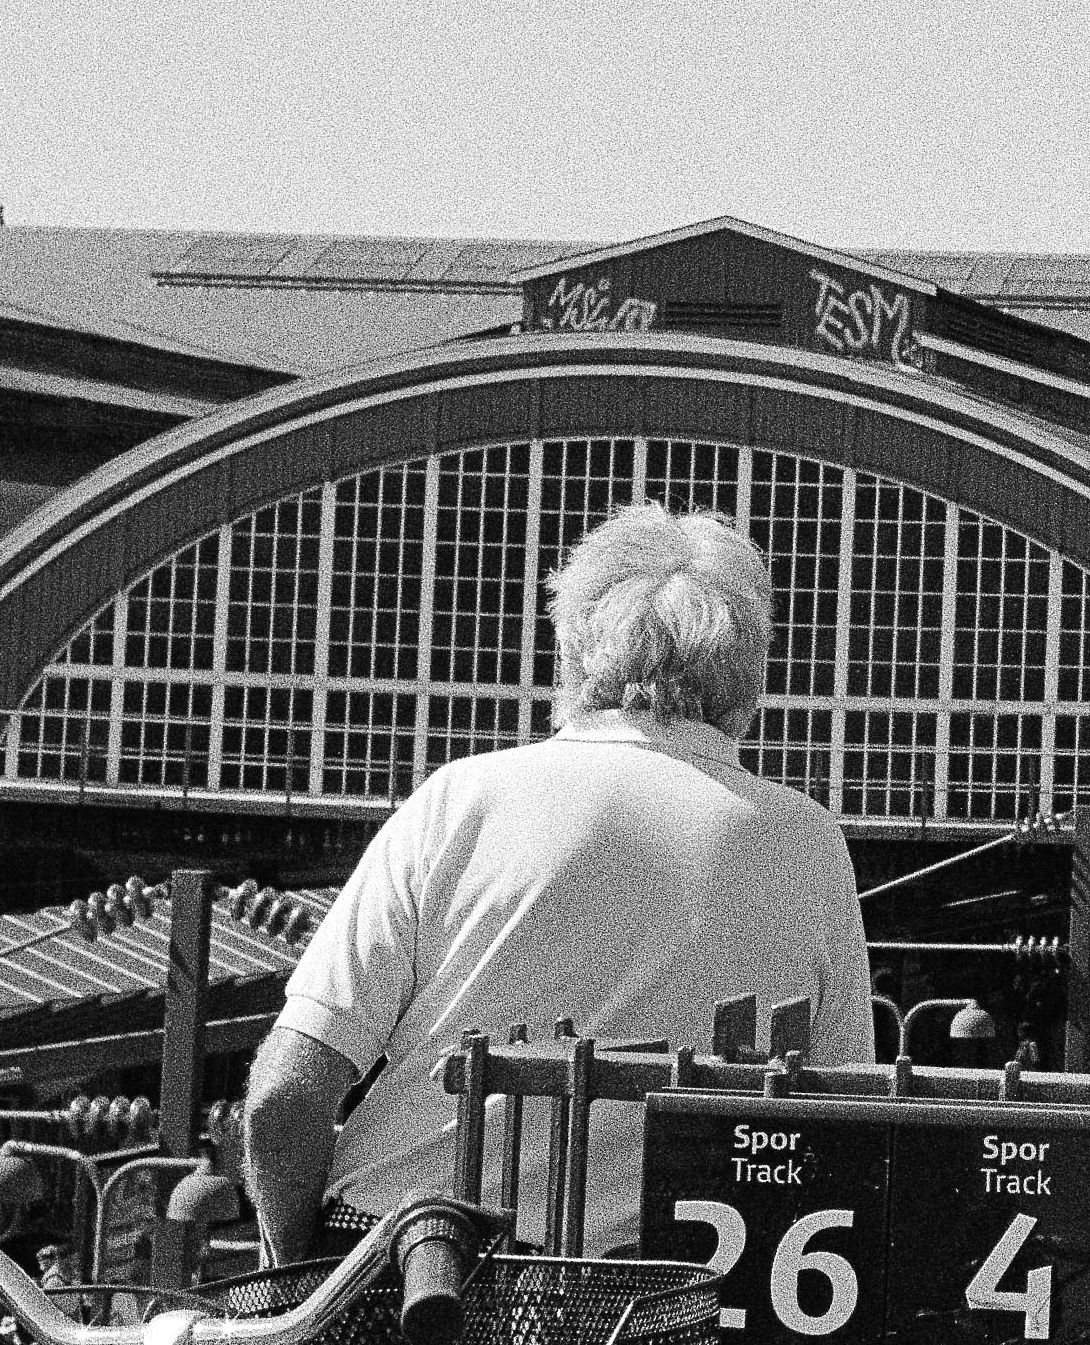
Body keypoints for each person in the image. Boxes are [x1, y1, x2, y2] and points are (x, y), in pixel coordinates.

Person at [236, 501, 874, 1261]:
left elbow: (285, 1097)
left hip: (411, 1258)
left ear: (571, 654)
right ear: (748, 683)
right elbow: (848, 1117)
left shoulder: (462, 800)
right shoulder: (805, 843)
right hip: (657, 1293)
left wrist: (298, 1274)